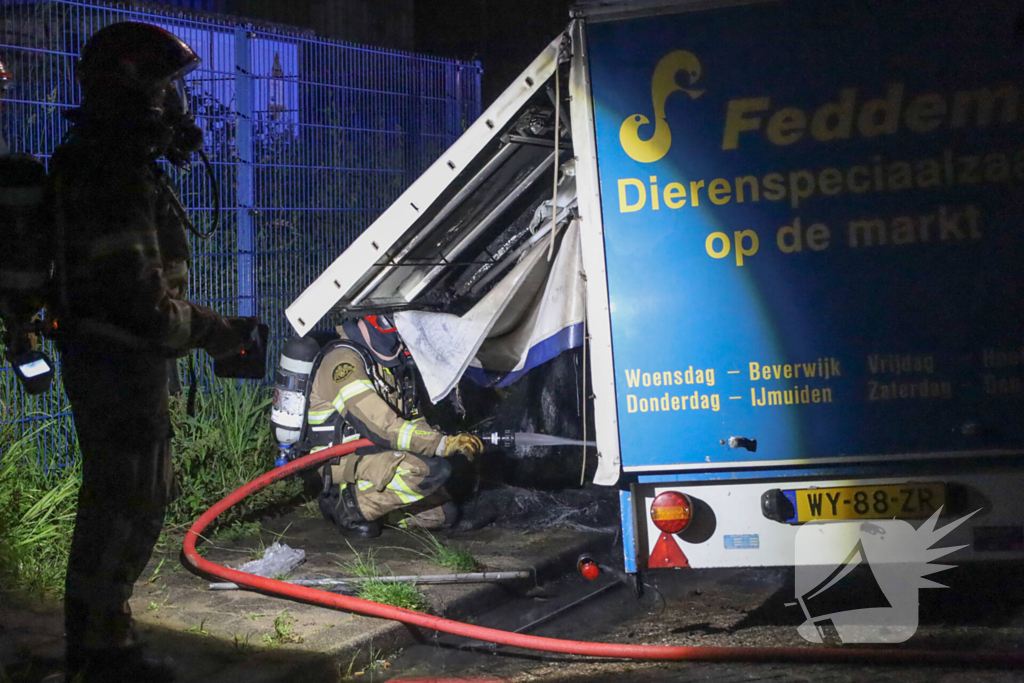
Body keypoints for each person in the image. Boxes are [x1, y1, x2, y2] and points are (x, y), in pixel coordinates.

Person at [49, 22, 261, 683]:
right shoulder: (109, 174)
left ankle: (103, 640)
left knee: (135, 496)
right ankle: (100, 651)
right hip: (117, 363)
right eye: (166, 90)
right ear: (132, 94)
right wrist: (216, 331)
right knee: (123, 503)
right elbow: (138, 300)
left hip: (126, 361)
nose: (176, 106)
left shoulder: (112, 165)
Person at [309, 314, 484, 538]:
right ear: (383, 323)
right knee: (427, 471)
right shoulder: (342, 361)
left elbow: (412, 419)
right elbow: (380, 425)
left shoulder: (387, 363)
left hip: (375, 450)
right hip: (340, 460)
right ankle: (349, 505)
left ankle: (380, 513)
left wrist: (444, 442)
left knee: (443, 514)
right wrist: (438, 444)